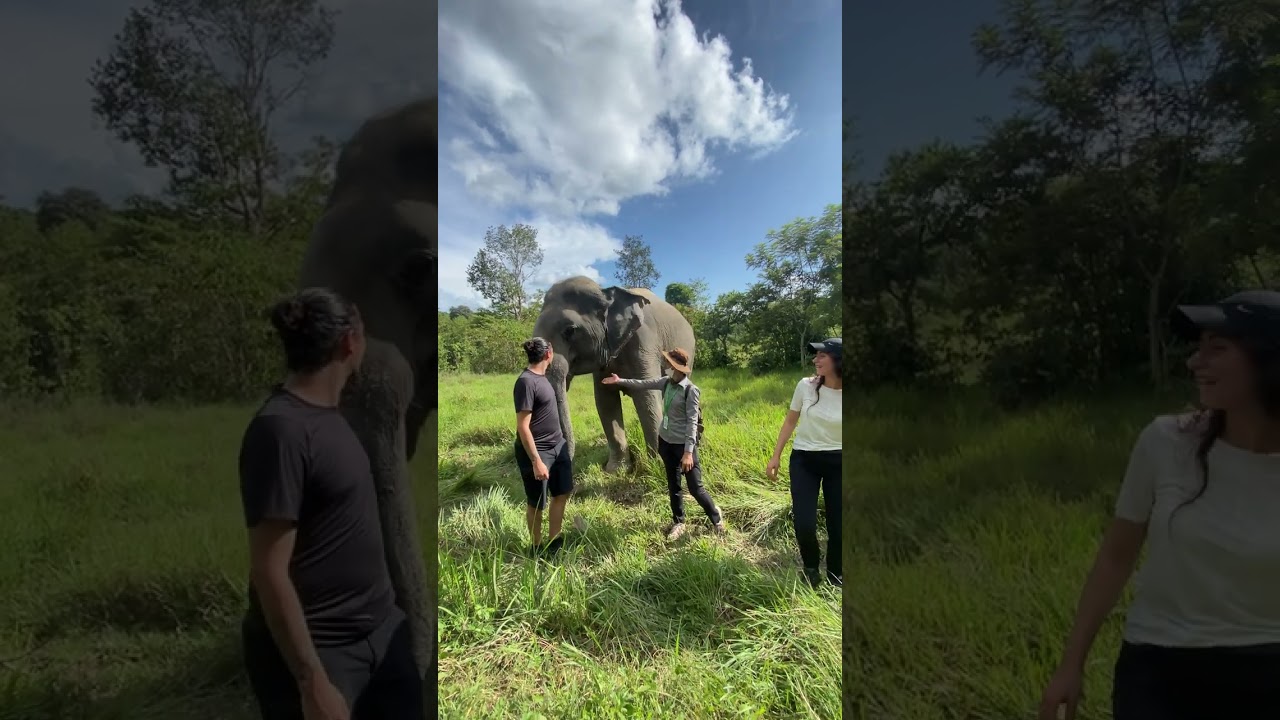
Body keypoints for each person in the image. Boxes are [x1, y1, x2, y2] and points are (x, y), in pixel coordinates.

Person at [1039, 290, 1280, 720]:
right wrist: (1070, 665)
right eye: (1197, 347)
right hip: (1161, 666)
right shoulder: (1166, 442)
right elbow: (1115, 558)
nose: (1194, 362)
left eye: (1217, 349)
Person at [237, 287, 423, 720]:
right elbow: (268, 568)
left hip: (380, 632)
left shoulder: (327, 417)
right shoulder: (280, 431)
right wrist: (311, 680)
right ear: (349, 342)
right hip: (326, 652)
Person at [604, 348, 723, 539]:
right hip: (665, 442)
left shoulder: (690, 390)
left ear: (676, 367)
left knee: (695, 488)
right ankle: (679, 522)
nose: (666, 365)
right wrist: (620, 381)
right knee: (673, 485)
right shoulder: (666, 383)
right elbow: (643, 384)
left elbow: (693, 423)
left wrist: (688, 452)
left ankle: (716, 519)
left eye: (669, 363)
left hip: (683, 447)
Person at [766, 338, 843, 588]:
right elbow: (790, 421)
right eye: (815, 355)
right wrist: (776, 455)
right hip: (805, 460)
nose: (815, 360)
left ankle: (835, 574)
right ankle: (811, 568)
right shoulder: (805, 386)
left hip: (840, 462)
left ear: (838, 360)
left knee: (839, 525)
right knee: (804, 523)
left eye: (822, 355)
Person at [513, 337, 574, 556]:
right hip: (538, 452)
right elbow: (523, 426)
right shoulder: (526, 382)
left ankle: (554, 541)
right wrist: (536, 461)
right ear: (548, 354)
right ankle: (536, 547)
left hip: (558, 447)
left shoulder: (543, 378)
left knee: (562, 493)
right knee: (537, 502)